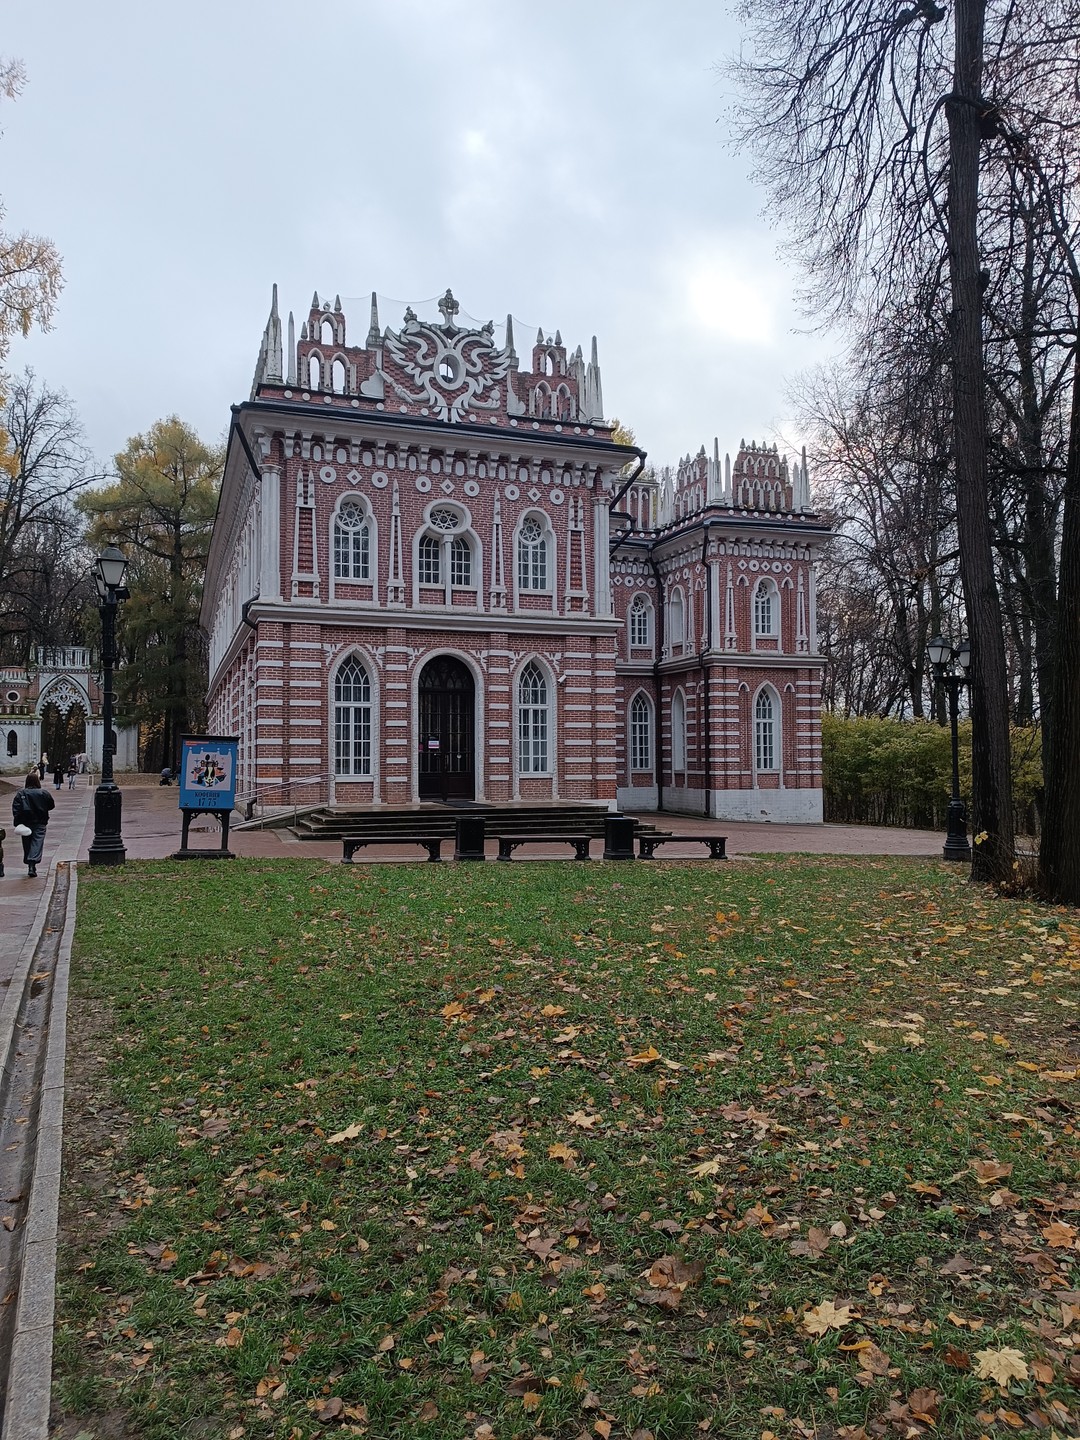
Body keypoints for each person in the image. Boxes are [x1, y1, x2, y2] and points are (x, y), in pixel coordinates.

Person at [12, 772, 55, 879]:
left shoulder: (21, 794)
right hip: (40, 822)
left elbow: (16, 809)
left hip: (25, 822)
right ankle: (32, 863)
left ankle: (30, 864)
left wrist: (17, 822)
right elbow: (51, 805)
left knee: (27, 843)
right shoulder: (43, 793)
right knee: (37, 842)